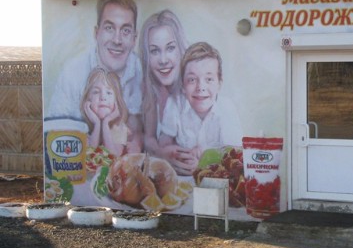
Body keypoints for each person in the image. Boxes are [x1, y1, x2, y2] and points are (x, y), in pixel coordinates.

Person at [47, 0, 143, 146]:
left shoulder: (142, 71)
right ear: (96, 33)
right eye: (109, 28)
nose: (117, 40)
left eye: (125, 30)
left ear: (134, 39)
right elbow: (55, 133)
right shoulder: (72, 73)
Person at [159, 42, 242, 174]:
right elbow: (164, 145)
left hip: (218, 179)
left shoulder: (227, 108)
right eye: (192, 80)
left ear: (219, 84)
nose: (200, 87)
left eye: (209, 79)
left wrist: (203, 162)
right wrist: (175, 154)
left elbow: (235, 155)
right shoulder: (175, 104)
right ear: (183, 85)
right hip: (183, 179)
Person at [138, 10, 196, 174]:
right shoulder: (150, 89)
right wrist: (160, 154)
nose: (163, 60)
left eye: (170, 48)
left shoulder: (195, 91)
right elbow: (148, 137)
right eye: (155, 51)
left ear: (181, 49)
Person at [81, 67, 142, 157]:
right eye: (96, 92)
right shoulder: (82, 127)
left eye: (109, 93)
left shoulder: (119, 128)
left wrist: (105, 123)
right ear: (88, 100)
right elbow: (89, 155)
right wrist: (97, 124)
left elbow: (113, 155)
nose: (103, 97)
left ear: (117, 101)